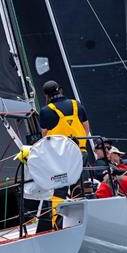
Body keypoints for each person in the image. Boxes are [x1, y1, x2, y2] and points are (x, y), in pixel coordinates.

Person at [37, 80, 90, 232]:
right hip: (80, 153)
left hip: (61, 158)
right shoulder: (76, 105)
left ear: (46, 95)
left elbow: (45, 136)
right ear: (60, 90)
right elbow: (86, 128)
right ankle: (84, 220)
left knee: (59, 190)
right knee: (80, 186)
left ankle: (58, 225)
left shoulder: (46, 111)